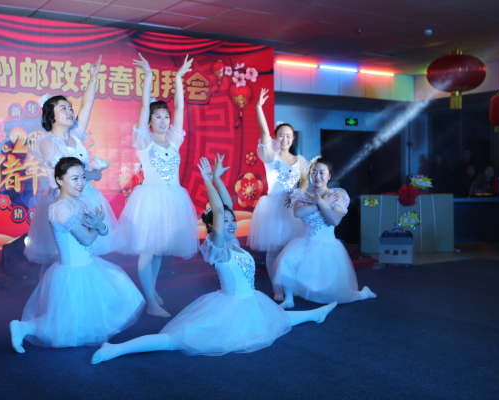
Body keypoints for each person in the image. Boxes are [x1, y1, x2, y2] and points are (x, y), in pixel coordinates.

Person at [90, 155, 337, 364]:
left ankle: (316, 313)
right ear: (213, 227)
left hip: (251, 302)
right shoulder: (218, 245)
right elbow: (219, 210)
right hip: (228, 308)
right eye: (224, 222)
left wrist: (218, 179)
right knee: (174, 340)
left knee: (277, 317)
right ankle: (116, 349)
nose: (230, 224)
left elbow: (225, 206)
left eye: (232, 221)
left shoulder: (233, 242)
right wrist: (208, 181)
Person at [10, 157, 145, 353]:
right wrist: (98, 225)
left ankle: (24, 328)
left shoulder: (81, 201)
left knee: (81, 317)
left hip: (88, 265)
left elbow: (103, 232)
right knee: (63, 323)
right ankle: (22, 327)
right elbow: (88, 239)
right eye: (74, 178)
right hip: (72, 271)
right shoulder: (60, 209)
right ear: (59, 180)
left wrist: (99, 224)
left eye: (83, 177)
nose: (81, 183)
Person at [116, 54, 199, 318]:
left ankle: (151, 292)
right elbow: (143, 105)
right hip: (150, 202)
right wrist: (149, 76)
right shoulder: (144, 141)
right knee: (148, 252)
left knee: (160, 251)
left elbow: (181, 108)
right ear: (150, 121)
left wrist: (178, 78)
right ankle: (151, 302)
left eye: (165, 116)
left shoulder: (174, 140)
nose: (163, 120)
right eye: (157, 116)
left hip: (172, 201)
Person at [24, 56, 119, 275]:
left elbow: (87, 105)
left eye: (69, 107)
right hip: (63, 200)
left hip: (85, 197)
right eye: (62, 108)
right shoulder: (48, 142)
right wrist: (91, 174)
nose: (69, 111)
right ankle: (50, 294)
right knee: (58, 258)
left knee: (85, 254)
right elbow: (63, 172)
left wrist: (93, 78)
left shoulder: (76, 135)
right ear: (51, 116)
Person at [273, 157, 376, 309]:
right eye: (314, 172)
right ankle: (288, 299)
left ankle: (362, 294)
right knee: (285, 259)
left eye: (322, 172)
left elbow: (335, 220)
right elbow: (298, 213)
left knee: (336, 296)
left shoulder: (337, 195)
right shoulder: (301, 194)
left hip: (327, 246)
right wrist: (319, 204)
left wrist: (321, 202)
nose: (317, 176)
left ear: (329, 176)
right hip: (304, 243)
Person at [247, 88, 309, 301]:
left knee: (292, 250)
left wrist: (299, 192)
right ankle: (277, 288)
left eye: (288, 136)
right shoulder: (270, 156)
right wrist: (259, 107)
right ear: (276, 137)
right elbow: (264, 133)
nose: (285, 139)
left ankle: (290, 284)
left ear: (293, 139)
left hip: (293, 209)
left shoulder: (300, 160)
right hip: (274, 208)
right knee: (274, 250)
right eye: (281, 135)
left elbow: (304, 180)